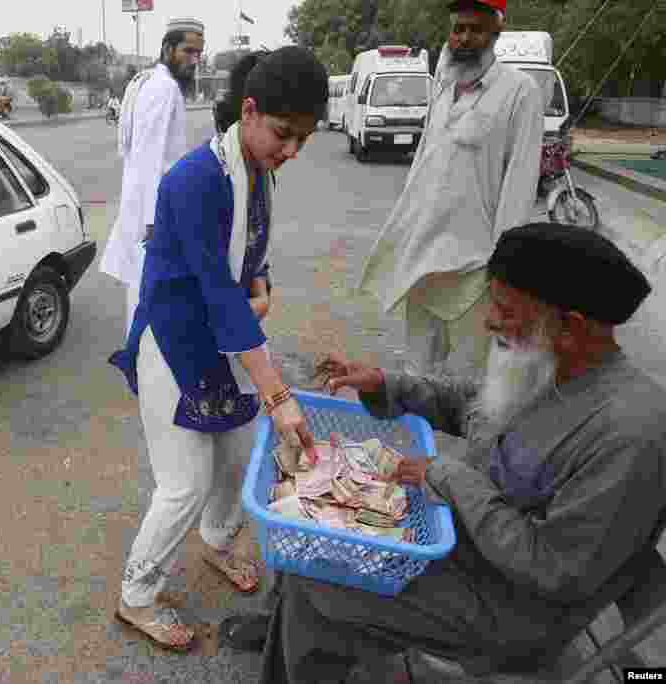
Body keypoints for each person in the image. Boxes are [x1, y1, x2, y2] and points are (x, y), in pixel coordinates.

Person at [252, 223, 665, 683]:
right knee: (310, 541)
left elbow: (554, 569)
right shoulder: (554, 363)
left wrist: (449, 478)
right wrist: (388, 384)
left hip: (511, 607)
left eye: (505, 311)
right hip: (462, 541)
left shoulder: (631, 434)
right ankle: (288, 644)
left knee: (317, 581)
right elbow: (476, 405)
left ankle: (294, 654)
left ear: (570, 326)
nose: (489, 321)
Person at [108, 47, 329, 652]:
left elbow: (250, 260)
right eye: (284, 134)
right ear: (251, 111)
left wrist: (261, 286)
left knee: (236, 455)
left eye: (303, 141)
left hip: (223, 341)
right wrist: (278, 394)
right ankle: (138, 596)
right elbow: (214, 289)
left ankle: (217, 539)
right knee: (184, 482)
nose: (291, 151)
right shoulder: (195, 179)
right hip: (175, 343)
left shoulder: (256, 170)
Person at [358, 0, 545, 378]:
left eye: (475, 29)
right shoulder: (444, 86)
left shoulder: (520, 92)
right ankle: (420, 434)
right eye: (458, 29)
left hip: (475, 265)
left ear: (496, 33)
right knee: (417, 370)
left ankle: (476, 438)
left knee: (473, 375)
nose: (463, 38)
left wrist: (506, 268)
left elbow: (520, 184)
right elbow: (423, 165)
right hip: (424, 256)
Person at [99, 17, 206, 334]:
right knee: (149, 302)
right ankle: (143, 369)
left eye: (199, 53)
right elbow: (149, 156)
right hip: (154, 216)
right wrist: (154, 221)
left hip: (147, 208)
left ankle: (142, 364)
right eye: (188, 51)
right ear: (167, 48)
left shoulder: (147, 81)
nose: (194, 60)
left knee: (143, 294)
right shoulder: (163, 87)